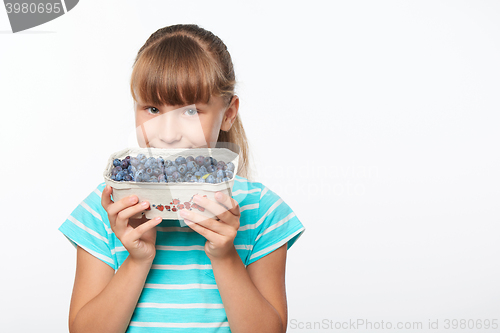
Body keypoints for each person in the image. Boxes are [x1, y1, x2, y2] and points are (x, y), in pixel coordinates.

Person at [58, 24, 306, 333]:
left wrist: (226, 257)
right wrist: (137, 260)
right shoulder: (107, 208)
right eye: (152, 108)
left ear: (228, 113)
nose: (168, 134)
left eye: (190, 112)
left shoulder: (262, 209)